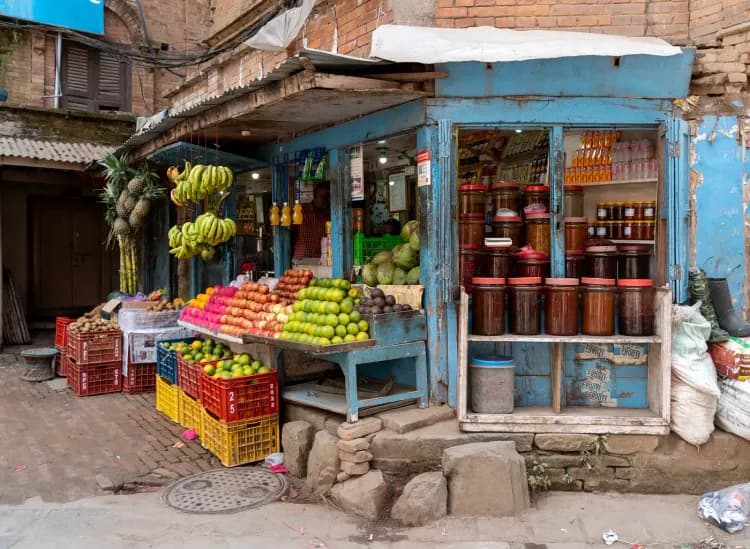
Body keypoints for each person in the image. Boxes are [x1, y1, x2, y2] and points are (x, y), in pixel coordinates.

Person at [292, 181, 330, 259]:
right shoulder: (301, 211)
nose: (325, 200)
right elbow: (289, 233)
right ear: (315, 197)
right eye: (322, 196)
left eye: (328, 197)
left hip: (321, 261)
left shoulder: (330, 217)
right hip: (300, 260)